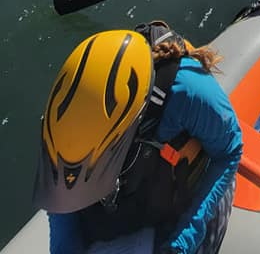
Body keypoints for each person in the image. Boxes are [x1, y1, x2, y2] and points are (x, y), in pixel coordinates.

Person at [34, 21, 243, 254]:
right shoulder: (69, 118)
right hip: (133, 204)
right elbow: (61, 191)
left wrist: (184, 240)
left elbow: (229, 153)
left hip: (177, 213)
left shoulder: (188, 91)